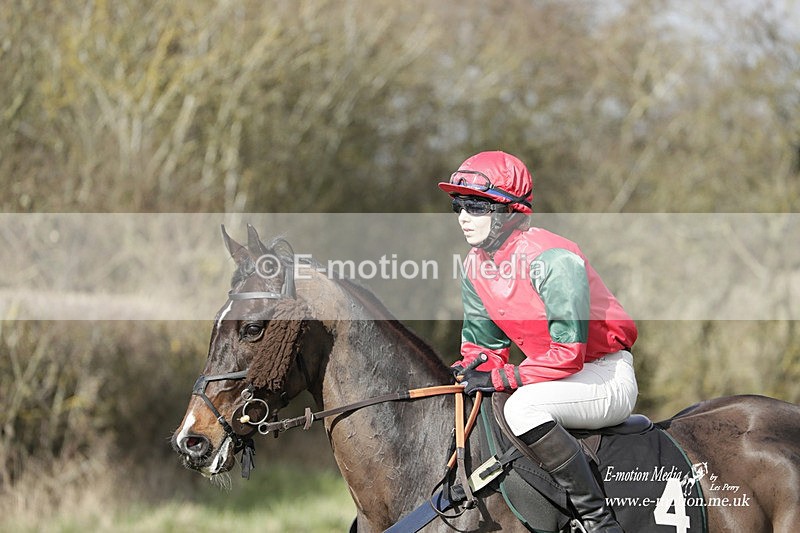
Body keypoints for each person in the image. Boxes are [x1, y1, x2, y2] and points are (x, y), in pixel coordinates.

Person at [439, 151, 638, 533]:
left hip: (604, 375)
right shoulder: (475, 266)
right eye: (458, 205)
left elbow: (568, 353)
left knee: (522, 408)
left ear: (508, 211)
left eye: (475, 206)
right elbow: (484, 351)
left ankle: (598, 521)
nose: (463, 216)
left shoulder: (553, 258)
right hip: (552, 379)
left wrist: (499, 379)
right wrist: (469, 371)